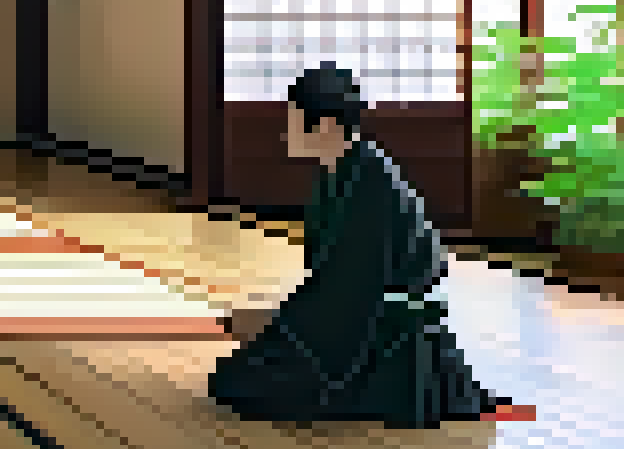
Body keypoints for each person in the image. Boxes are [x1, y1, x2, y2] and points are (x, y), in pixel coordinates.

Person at [209, 63, 516, 428]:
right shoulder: (340, 173)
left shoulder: (372, 184)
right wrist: (278, 322)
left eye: (293, 121)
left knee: (243, 383)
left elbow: (351, 294)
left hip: (385, 341)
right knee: (238, 373)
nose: (285, 132)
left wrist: (276, 323)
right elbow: (332, 282)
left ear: (325, 126)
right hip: (355, 324)